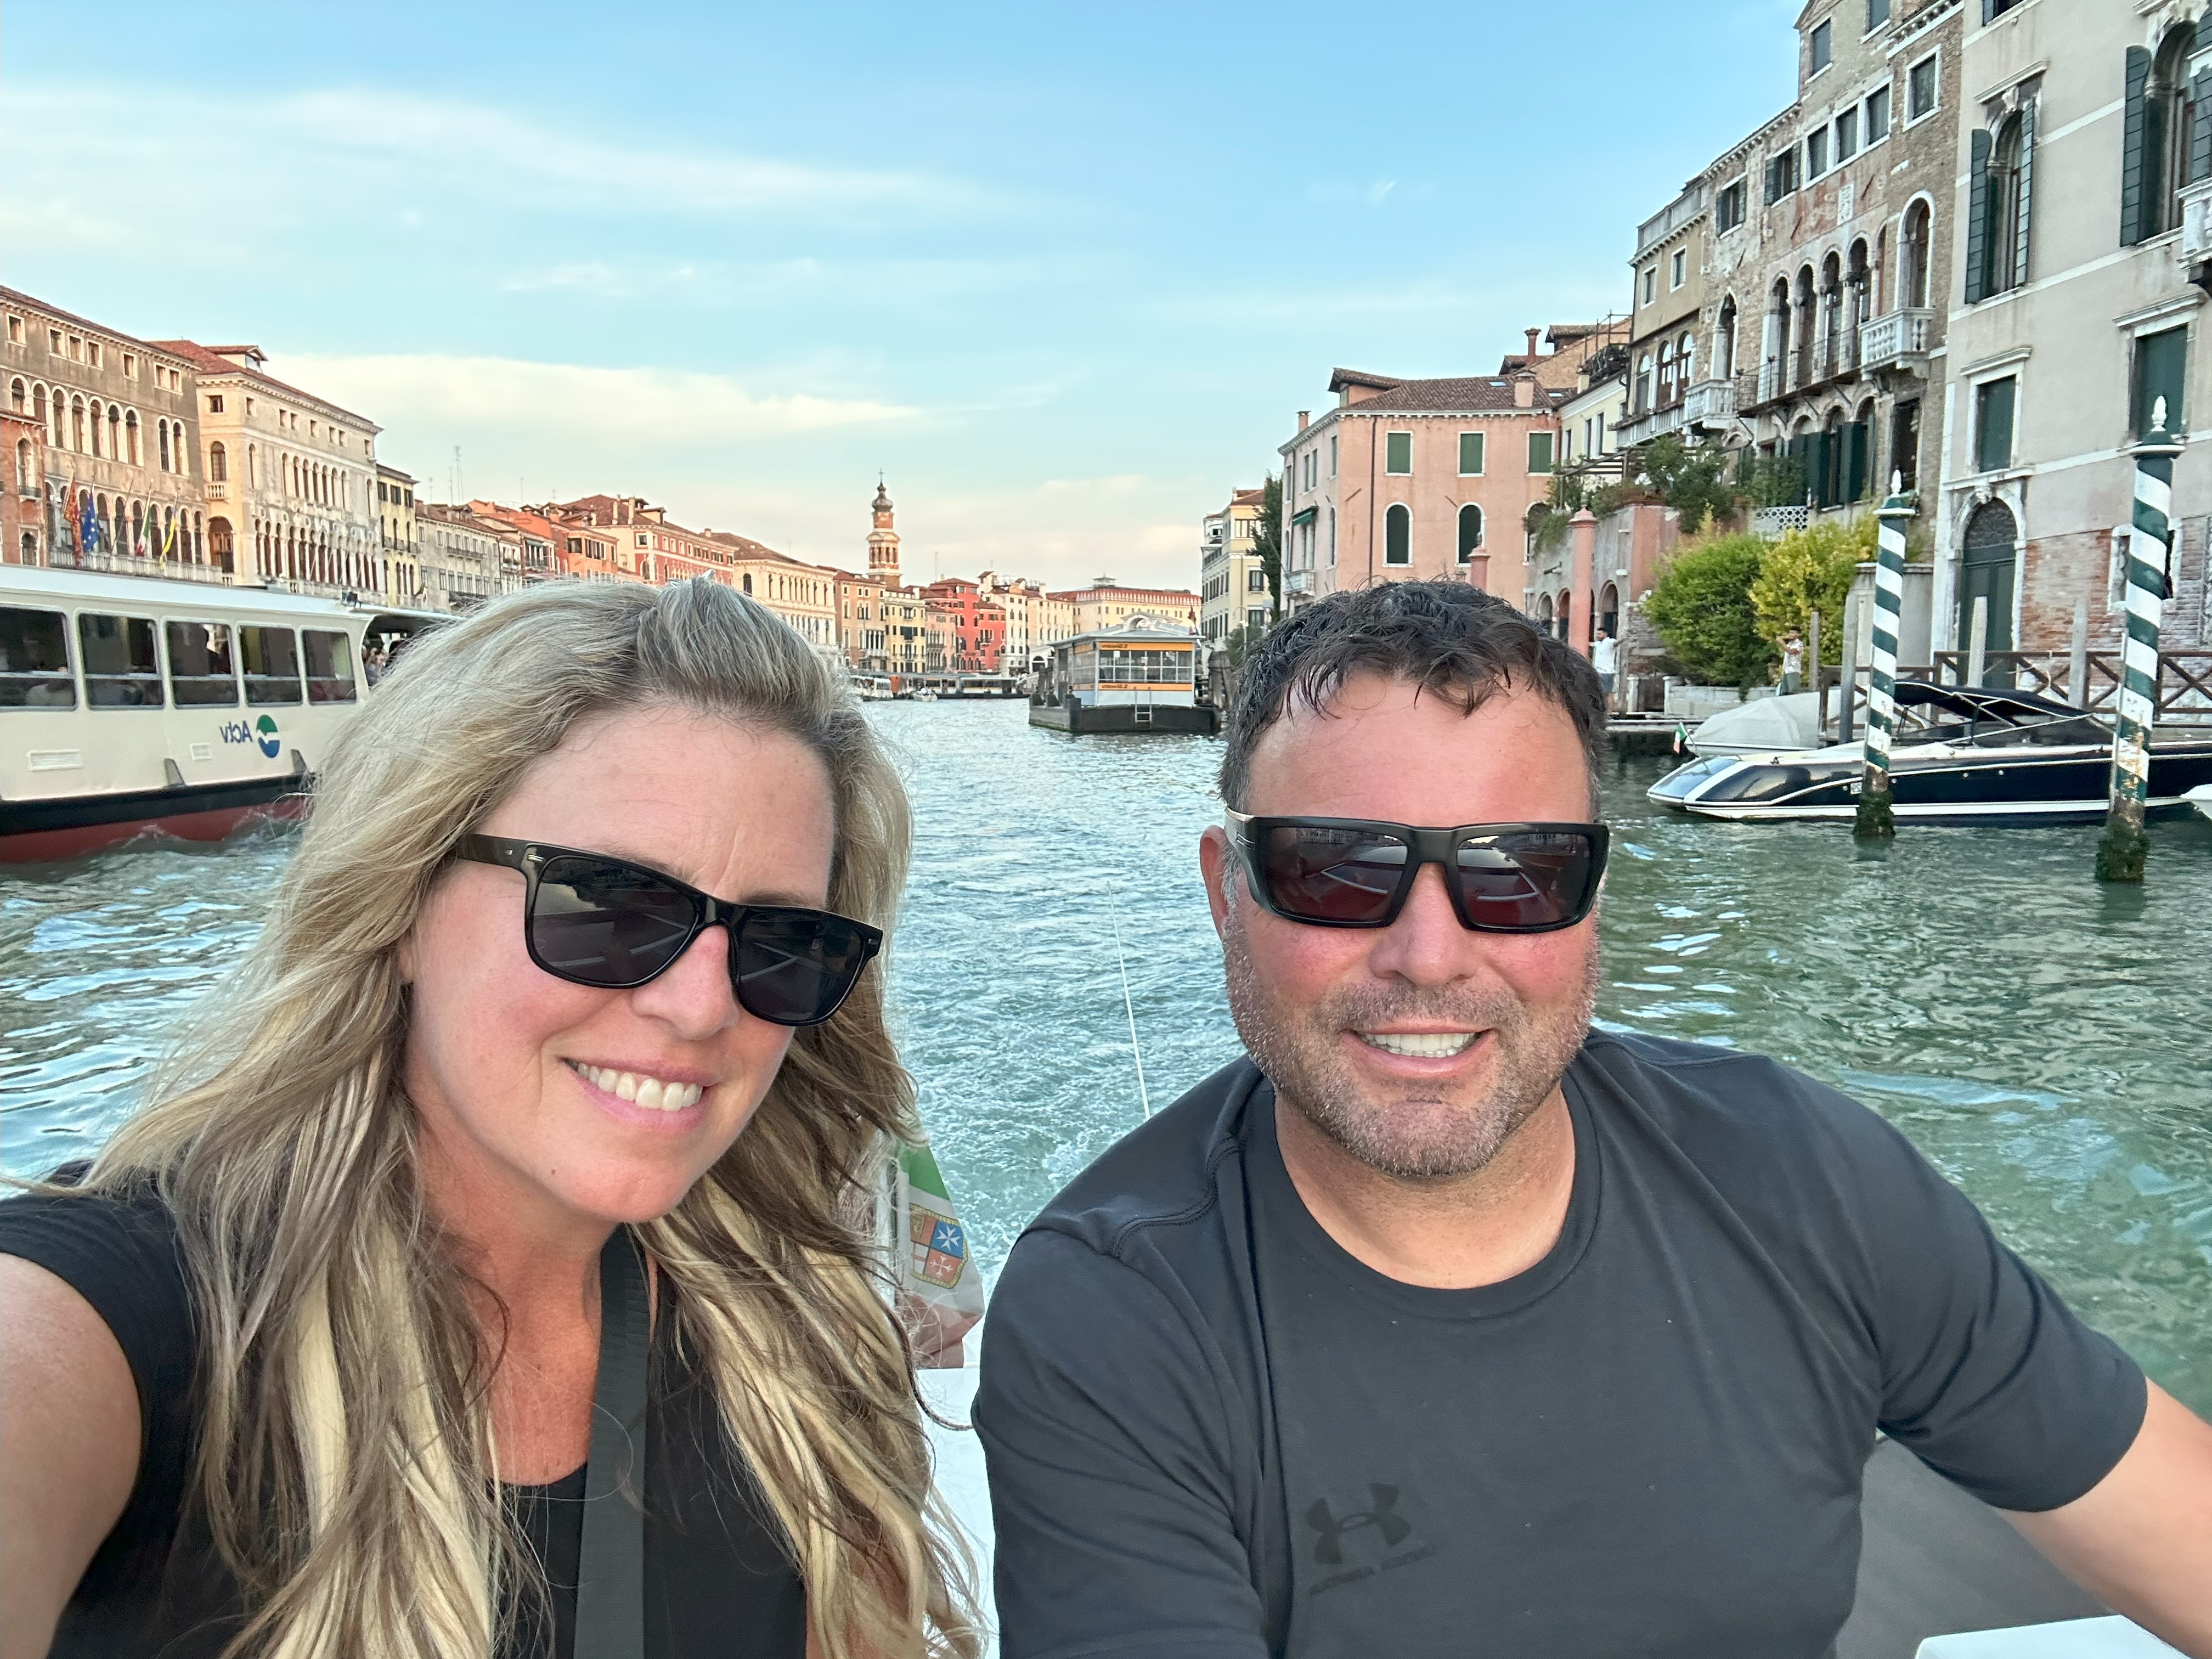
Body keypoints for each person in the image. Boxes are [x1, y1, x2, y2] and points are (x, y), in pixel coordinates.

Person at [974, 579, 2212, 1659]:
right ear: (1225, 893)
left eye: (1518, 872)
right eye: (1334, 867)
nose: (1428, 955)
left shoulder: (1806, 1177)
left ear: (1591, 898)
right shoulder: (1113, 1318)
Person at [1, 580, 979, 1659]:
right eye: (607, 904)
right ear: (404, 900)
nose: (702, 1008)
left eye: (784, 941)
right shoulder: (138, 1314)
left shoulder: (809, 1334)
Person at [1589, 625, 1618, 711]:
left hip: (1607, 672)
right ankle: (1605, 710)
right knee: (1600, 692)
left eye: (1599, 634)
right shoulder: (1598, 644)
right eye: (1597, 634)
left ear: (1605, 634)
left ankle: (1611, 711)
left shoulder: (1610, 642)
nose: (1597, 636)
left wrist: (1623, 640)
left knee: (1608, 692)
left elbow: (1616, 643)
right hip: (1597, 671)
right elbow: (1589, 644)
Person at [1782, 627, 1805, 695]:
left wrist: (1782, 643)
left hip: (1793, 670)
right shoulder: (1789, 644)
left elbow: (1791, 651)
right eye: (1790, 633)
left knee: (1793, 691)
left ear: (1798, 635)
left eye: (1792, 633)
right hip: (1786, 670)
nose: (1790, 634)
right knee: (1785, 691)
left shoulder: (1799, 644)